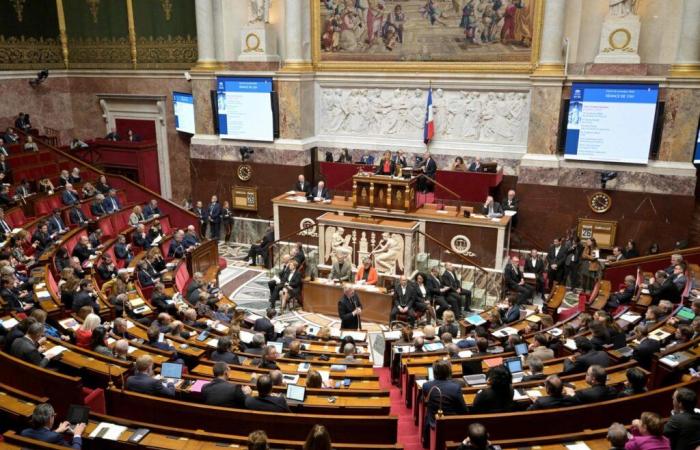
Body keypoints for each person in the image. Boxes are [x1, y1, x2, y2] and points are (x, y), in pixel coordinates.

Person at [422, 360, 468, 445]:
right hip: (451, 422)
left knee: (429, 410)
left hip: (433, 420)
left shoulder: (426, 385)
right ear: (449, 372)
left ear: (434, 372)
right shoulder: (456, 387)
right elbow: (464, 410)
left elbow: (425, 401)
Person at [21, 403, 85, 449]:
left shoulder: (25, 432)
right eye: (54, 415)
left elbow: (44, 437)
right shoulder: (55, 437)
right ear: (49, 418)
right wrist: (77, 434)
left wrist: (57, 431)